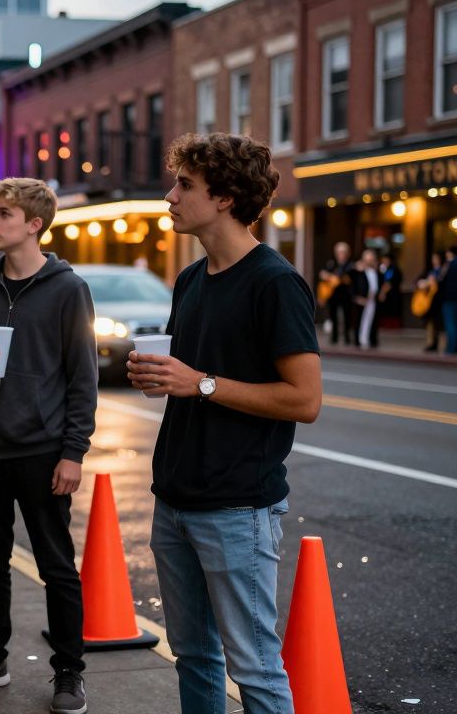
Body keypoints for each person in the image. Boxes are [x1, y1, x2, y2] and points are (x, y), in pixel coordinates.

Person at [126, 132, 321, 714]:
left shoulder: (275, 282)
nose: (170, 196)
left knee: (256, 669)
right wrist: (163, 378)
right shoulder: (189, 279)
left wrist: (200, 383)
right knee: (193, 657)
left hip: (238, 508)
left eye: (185, 185)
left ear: (226, 199)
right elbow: (188, 378)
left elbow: (304, 400)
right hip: (175, 498)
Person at [0, 177, 96, 714]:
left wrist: (73, 452)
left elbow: (82, 378)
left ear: (33, 224)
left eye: (3, 214)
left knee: (57, 565)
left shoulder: (68, 289)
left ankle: (70, 672)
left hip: (41, 451)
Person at [317, 241, 354, 345]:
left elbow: (348, 278)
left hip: (346, 295)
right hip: (333, 295)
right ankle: (334, 337)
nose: (341, 254)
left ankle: (347, 338)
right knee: (333, 315)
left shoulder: (350, 265)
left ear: (347, 253)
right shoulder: (331, 263)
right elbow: (322, 274)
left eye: (343, 252)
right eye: (339, 252)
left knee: (347, 316)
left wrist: (334, 278)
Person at [416, 251, 445, 352]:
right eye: (433, 259)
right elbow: (418, 280)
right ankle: (430, 343)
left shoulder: (443, 271)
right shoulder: (429, 271)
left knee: (439, 324)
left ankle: (440, 344)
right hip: (428, 302)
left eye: (436, 259)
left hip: (438, 301)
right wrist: (423, 282)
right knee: (430, 324)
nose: (434, 261)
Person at [352, 249, 380, 349]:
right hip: (362, 300)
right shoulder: (358, 271)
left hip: (373, 300)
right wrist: (356, 297)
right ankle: (360, 340)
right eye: (367, 259)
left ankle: (371, 340)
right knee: (361, 320)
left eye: (371, 259)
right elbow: (353, 285)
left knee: (372, 320)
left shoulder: (376, 271)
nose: (369, 261)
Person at [378, 253, 403, 326]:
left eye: (385, 259)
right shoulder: (383, 269)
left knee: (392, 313)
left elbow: (389, 283)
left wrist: (382, 293)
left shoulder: (393, 269)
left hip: (392, 296)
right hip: (387, 296)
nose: (383, 261)